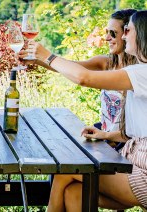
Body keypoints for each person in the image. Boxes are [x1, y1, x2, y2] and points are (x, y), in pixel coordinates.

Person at [28, 10, 147, 211]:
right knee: (74, 193)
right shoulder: (136, 71)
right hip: (133, 160)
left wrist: (47, 56)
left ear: (143, 34)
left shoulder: (141, 72)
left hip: (143, 174)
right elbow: (139, 130)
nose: (124, 36)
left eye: (128, 31)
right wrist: (108, 134)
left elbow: (84, 78)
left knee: (66, 170)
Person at [21, 9, 137, 150]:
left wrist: (47, 56)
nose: (107, 38)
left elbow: (82, 78)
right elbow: (70, 67)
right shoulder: (106, 63)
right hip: (104, 137)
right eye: (106, 32)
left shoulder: (135, 72)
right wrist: (35, 60)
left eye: (112, 33)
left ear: (128, 34)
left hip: (123, 144)